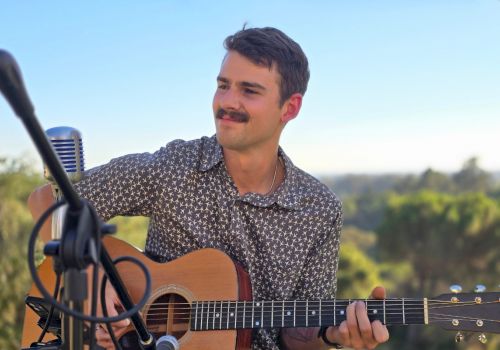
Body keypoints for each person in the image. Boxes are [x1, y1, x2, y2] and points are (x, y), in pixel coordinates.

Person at [29, 27, 389, 350]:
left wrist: (332, 336)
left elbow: (298, 336)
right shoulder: (175, 166)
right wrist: (90, 279)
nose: (227, 102)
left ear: (289, 108)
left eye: (249, 90)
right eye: (223, 85)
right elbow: (47, 200)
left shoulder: (319, 209)